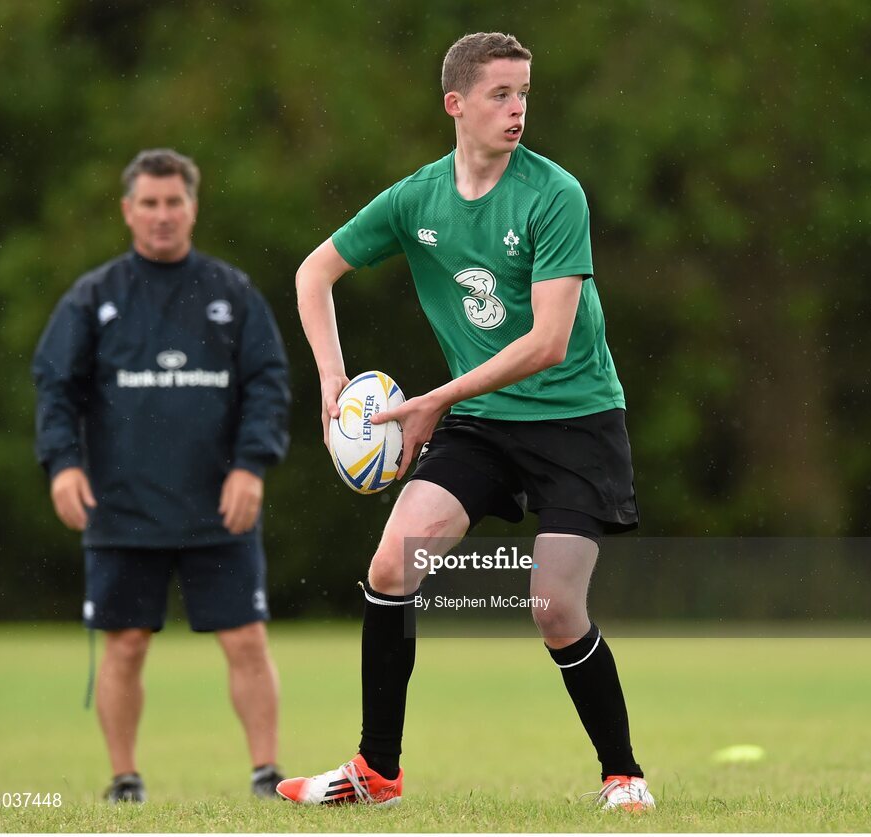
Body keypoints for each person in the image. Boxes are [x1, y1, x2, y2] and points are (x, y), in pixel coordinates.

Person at [281, 33, 653, 811]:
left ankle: (623, 774)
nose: (517, 109)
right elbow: (314, 272)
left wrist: (437, 397)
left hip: (576, 419)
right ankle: (375, 772)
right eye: (499, 95)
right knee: (391, 568)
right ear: (456, 103)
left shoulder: (554, 194)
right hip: (481, 422)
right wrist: (331, 380)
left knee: (552, 605)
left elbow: (548, 342)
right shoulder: (418, 199)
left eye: (523, 94)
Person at [32, 149, 291, 802]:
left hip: (219, 501)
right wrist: (62, 464)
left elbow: (269, 381)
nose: (162, 215)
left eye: (174, 201)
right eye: (148, 203)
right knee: (124, 646)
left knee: (246, 640)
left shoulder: (231, 293)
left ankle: (266, 773)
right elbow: (55, 386)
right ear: (128, 210)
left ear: (193, 207)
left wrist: (252, 465)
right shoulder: (93, 297)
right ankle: (124, 778)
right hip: (121, 505)